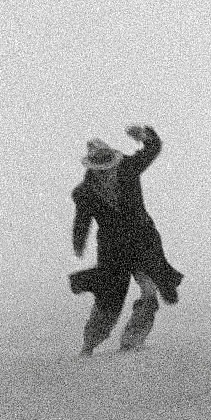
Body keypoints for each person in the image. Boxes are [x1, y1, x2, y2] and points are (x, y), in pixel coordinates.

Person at [69, 125, 184, 356]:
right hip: (113, 251)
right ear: (92, 167)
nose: (105, 171)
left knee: (150, 292)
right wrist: (79, 243)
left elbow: (152, 149)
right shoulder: (84, 192)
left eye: (108, 165)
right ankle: (89, 345)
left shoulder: (128, 168)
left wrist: (144, 136)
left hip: (143, 243)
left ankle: (133, 339)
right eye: (99, 167)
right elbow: (82, 220)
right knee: (108, 303)